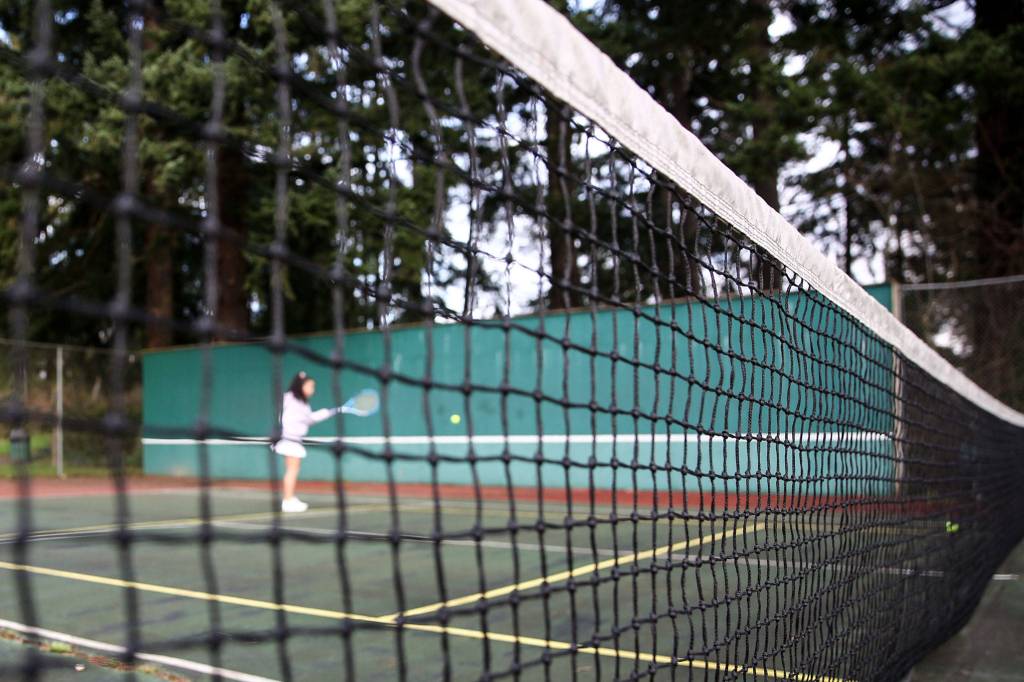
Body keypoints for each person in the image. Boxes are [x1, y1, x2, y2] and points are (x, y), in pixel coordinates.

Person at [273, 371, 340, 512]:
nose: (312, 390)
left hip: (292, 440)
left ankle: (289, 497)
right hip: (289, 439)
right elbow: (304, 418)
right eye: (310, 386)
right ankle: (287, 501)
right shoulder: (292, 400)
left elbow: (308, 419)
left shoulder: (301, 403)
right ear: (300, 386)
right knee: (292, 469)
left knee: (292, 469)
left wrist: (328, 412)